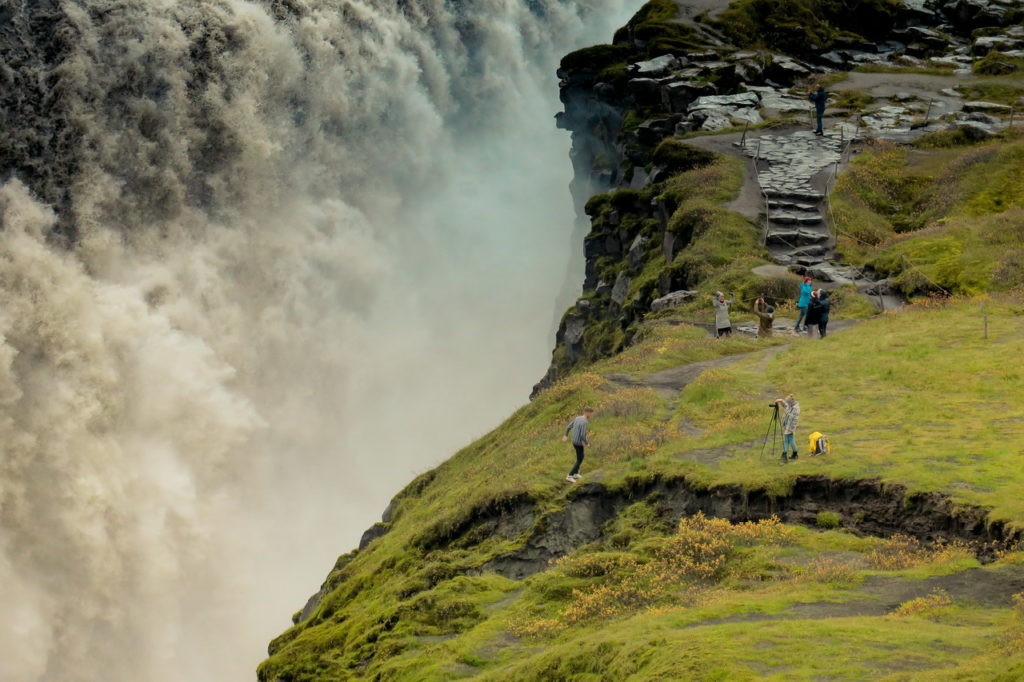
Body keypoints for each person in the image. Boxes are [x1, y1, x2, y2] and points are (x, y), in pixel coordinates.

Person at [562, 407, 593, 483]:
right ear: (587, 413)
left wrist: (565, 435)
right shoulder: (585, 422)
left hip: (574, 441)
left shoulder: (577, 418)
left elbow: (568, 427)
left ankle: (576, 474)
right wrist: (587, 443)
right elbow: (582, 435)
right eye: (591, 413)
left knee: (580, 457)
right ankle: (569, 476)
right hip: (578, 443)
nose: (591, 414)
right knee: (580, 459)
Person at [774, 395, 800, 462]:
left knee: (786, 440)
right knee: (791, 440)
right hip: (787, 426)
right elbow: (786, 405)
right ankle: (795, 454)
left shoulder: (795, 409)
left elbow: (792, 419)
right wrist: (780, 400)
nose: (787, 403)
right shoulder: (790, 405)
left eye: (788, 402)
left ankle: (784, 455)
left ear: (791, 402)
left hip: (790, 427)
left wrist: (790, 429)